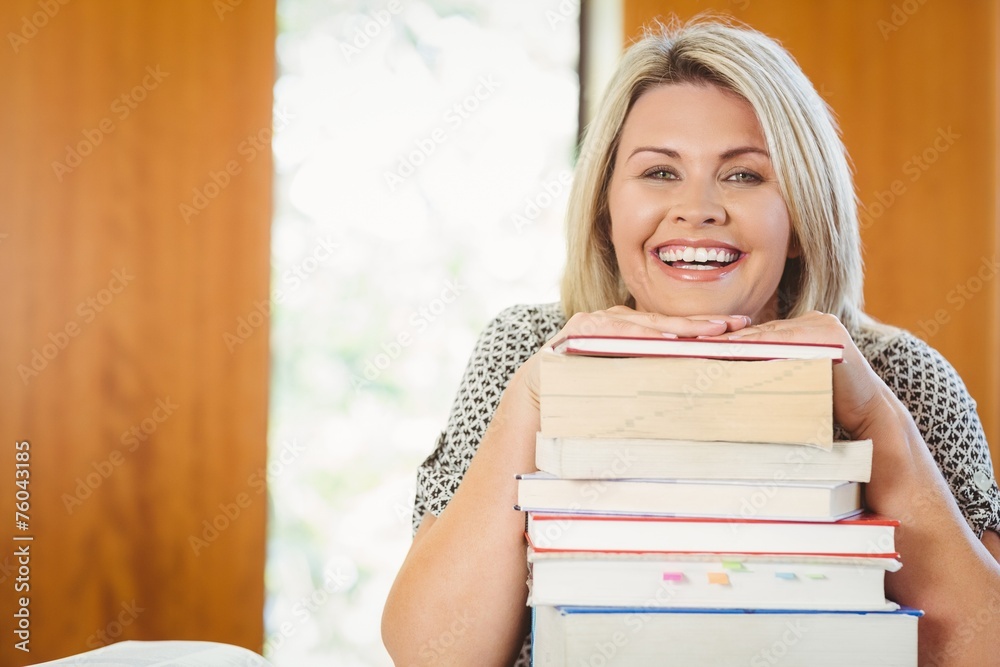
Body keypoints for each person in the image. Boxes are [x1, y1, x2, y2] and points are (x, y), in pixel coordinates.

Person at [382, 17, 1000, 667]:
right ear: (606, 209)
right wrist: (538, 393)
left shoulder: (901, 377)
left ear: (800, 217)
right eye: (659, 173)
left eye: (743, 176)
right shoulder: (528, 349)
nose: (698, 208)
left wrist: (875, 416)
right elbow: (432, 655)